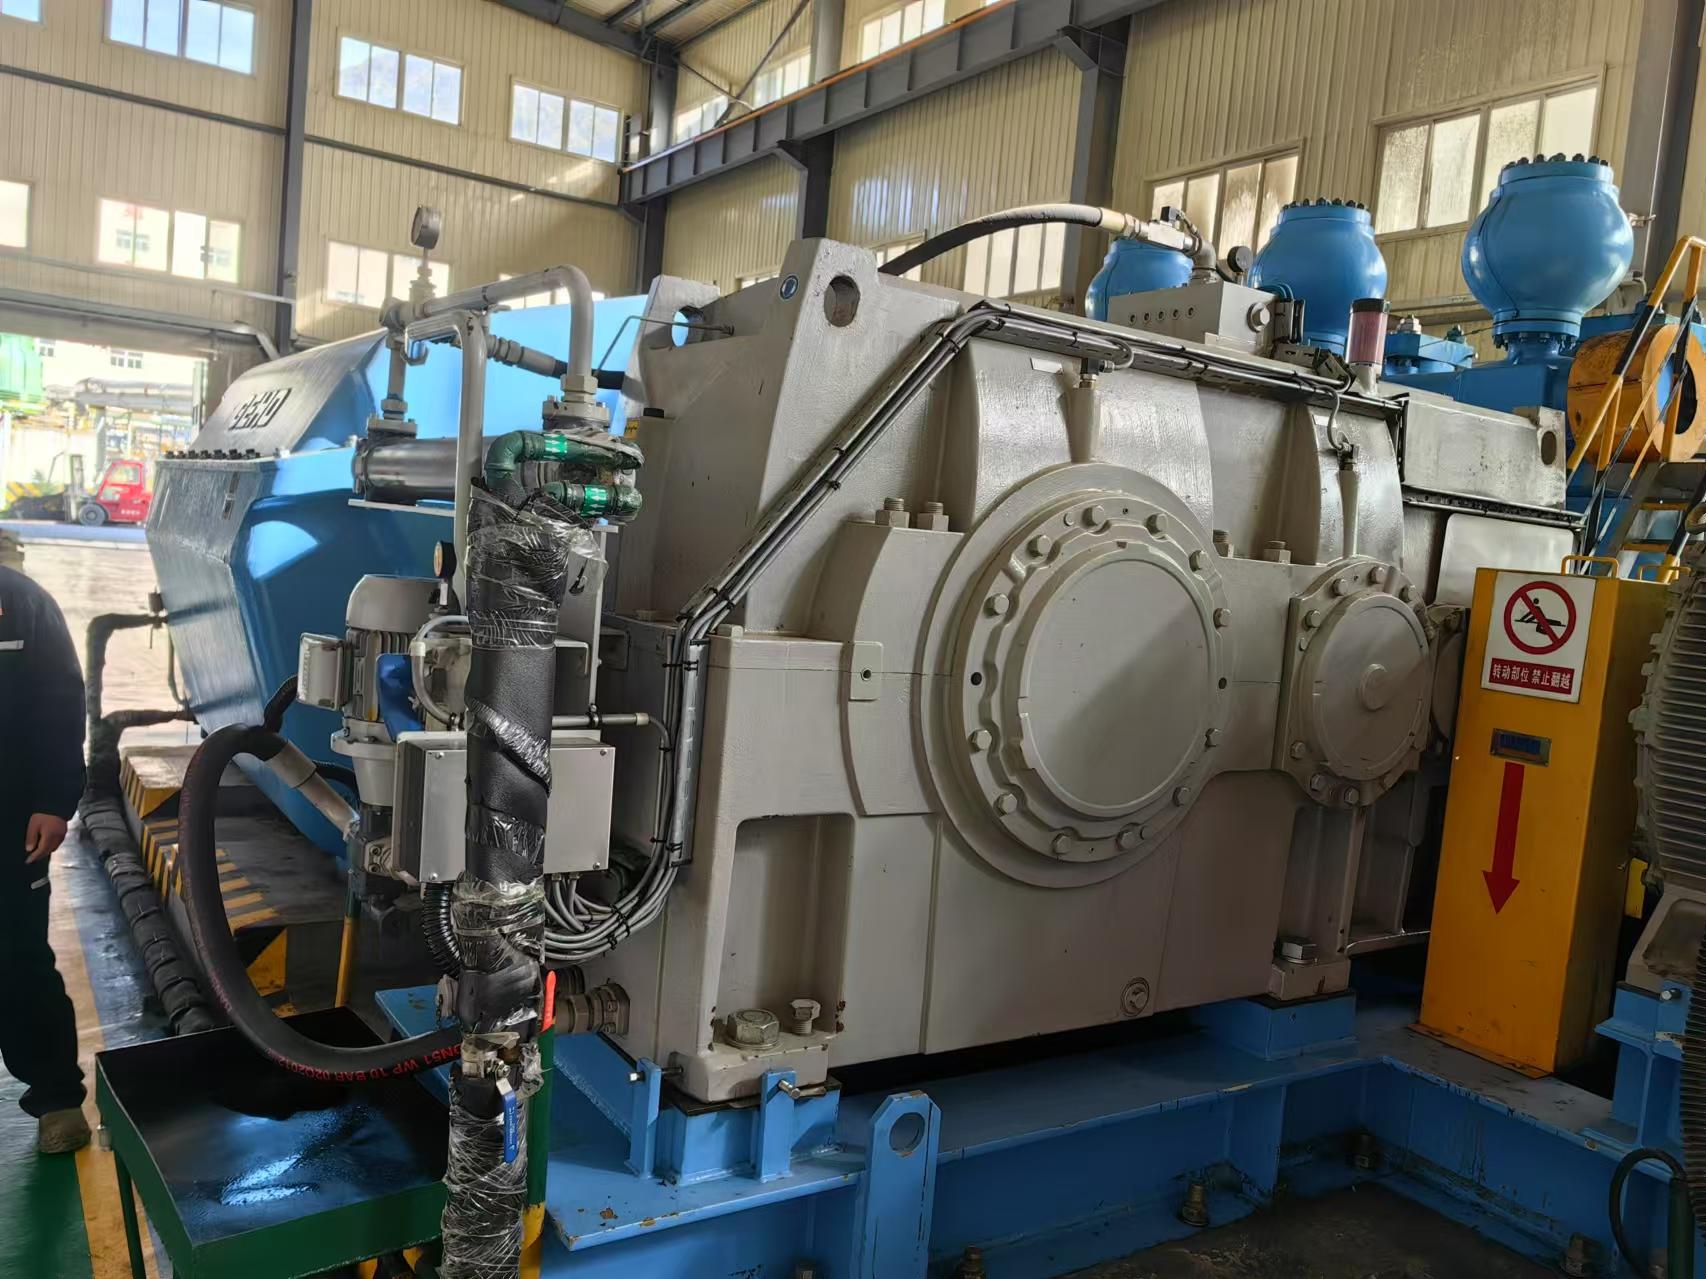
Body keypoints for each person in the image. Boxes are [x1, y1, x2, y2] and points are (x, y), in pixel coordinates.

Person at [0, 563, 90, 1154]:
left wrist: (54, 802)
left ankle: (57, 1098)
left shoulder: (21, 602)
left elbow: (60, 704)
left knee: (17, 958)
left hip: (9, 820)